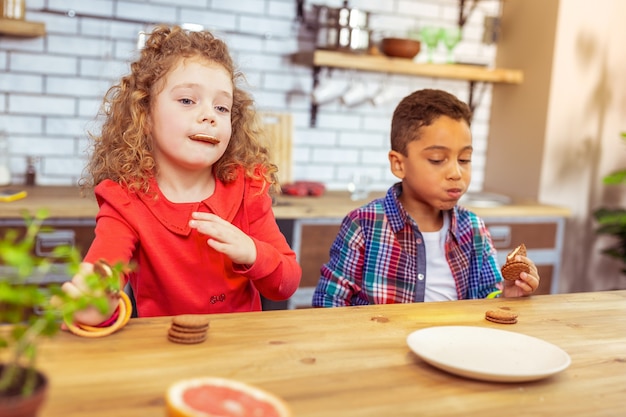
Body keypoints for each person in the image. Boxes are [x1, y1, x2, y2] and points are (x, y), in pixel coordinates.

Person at [62, 25, 301, 323]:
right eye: (187, 100)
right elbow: (104, 280)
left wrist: (252, 252)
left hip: (240, 351)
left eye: (222, 107)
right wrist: (94, 303)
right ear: (145, 115)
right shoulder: (126, 199)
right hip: (164, 353)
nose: (209, 115)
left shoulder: (247, 187)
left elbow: (286, 284)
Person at [312, 88, 540, 307]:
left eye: (464, 159)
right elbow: (329, 302)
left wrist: (507, 296)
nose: (455, 173)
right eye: (437, 159)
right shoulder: (364, 225)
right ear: (399, 164)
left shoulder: (474, 229)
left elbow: (487, 298)